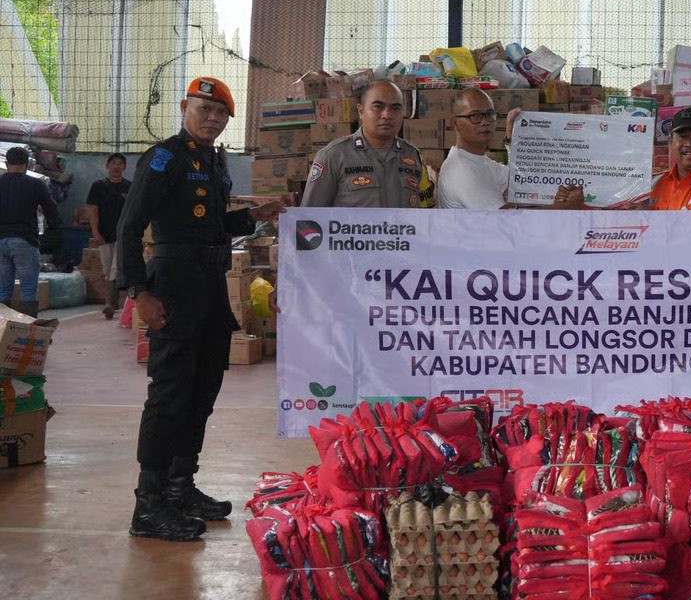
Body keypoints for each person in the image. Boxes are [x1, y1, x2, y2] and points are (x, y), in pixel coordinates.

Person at [117, 77, 286, 542]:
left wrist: (254, 216)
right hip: (173, 288)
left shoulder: (214, 162)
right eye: (203, 108)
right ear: (184, 108)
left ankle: (180, 488)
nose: (212, 118)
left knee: (201, 393)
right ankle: (149, 505)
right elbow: (129, 227)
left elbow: (212, 226)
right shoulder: (164, 157)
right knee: (169, 395)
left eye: (220, 112)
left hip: (211, 289)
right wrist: (139, 292)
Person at [436, 88, 584, 209]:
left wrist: (512, 137)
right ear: (455, 123)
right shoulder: (461, 169)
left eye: (489, 114)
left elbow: (520, 181)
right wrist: (564, 207)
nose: (485, 122)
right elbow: (506, 221)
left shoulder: (480, 162)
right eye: (475, 116)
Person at [300, 79, 435, 208]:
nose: (387, 115)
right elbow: (309, 216)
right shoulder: (333, 157)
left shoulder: (413, 156)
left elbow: (426, 211)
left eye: (395, 108)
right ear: (361, 111)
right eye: (378, 107)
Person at [0, 147, 59, 318]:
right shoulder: (36, 184)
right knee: (28, 289)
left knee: (3, 290)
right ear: (27, 164)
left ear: (6, 163)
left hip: (0, 241)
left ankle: (2, 328)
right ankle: (28, 330)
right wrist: (53, 227)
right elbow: (51, 210)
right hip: (25, 240)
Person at [86, 152, 132, 319]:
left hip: (123, 235)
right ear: (107, 166)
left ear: (124, 167)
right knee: (107, 268)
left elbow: (133, 211)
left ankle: (110, 304)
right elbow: (93, 210)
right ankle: (113, 304)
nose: (116, 167)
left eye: (120, 164)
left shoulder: (130, 187)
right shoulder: (98, 186)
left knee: (115, 268)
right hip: (104, 234)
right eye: (113, 163)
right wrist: (95, 231)